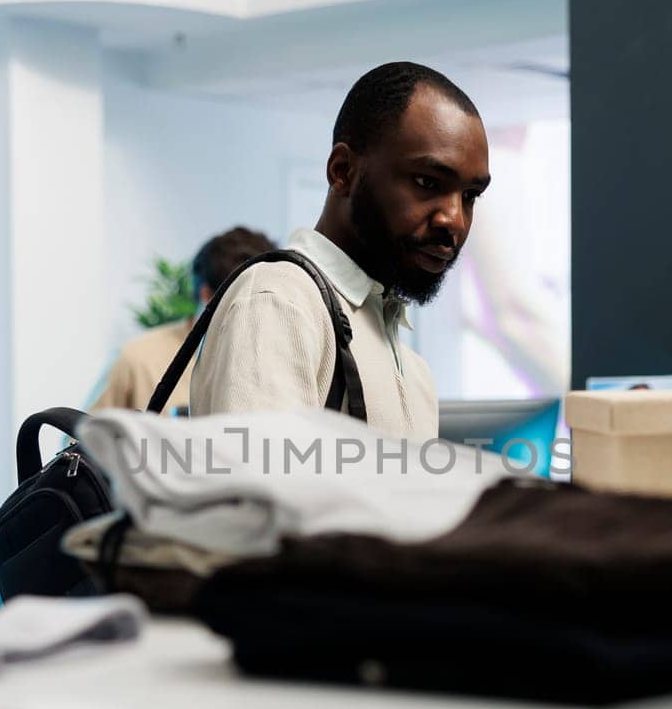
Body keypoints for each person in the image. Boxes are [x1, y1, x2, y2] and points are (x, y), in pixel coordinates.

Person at [190, 61, 491, 438]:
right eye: (427, 182)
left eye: (470, 196)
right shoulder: (279, 300)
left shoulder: (413, 370)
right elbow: (255, 493)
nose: (455, 220)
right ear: (343, 171)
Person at [90, 227, 276, 413]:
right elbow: (80, 436)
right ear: (207, 296)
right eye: (247, 301)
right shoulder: (137, 360)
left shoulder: (276, 363)